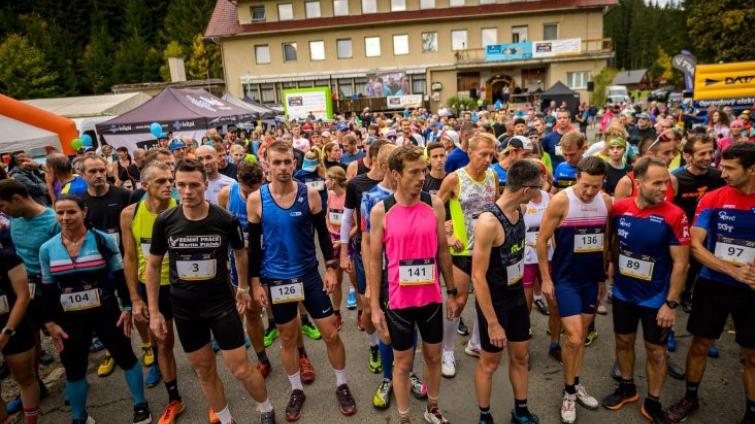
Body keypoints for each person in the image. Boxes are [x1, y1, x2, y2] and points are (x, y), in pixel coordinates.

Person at [146, 159, 275, 424]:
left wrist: (242, 287)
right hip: (184, 308)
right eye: (181, 185)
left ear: (206, 185)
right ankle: (226, 420)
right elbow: (153, 265)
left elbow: (241, 252)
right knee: (204, 371)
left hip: (220, 304)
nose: (187, 191)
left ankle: (266, 410)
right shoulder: (165, 221)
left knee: (240, 368)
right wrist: (154, 311)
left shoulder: (224, 219)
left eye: (194, 185)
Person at [247, 142, 356, 422]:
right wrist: (256, 284)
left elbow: (323, 237)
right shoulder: (256, 200)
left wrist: (331, 270)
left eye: (287, 162)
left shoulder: (310, 194)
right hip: (277, 279)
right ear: (267, 165)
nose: (283, 167)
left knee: (331, 332)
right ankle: (296, 390)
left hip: (308, 276)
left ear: (294, 164)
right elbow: (255, 248)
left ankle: (342, 385)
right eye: (277, 162)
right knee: (286, 337)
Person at [39, 195, 152, 424]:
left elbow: (120, 277)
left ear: (84, 212)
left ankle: (140, 404)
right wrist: (50, 322)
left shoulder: (102, 240)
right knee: (74, 366)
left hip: (106, 311)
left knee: (125, 357)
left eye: (71, 212)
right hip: (69, 317)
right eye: (60, 213)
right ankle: (79, 416)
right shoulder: (47, 249)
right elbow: (47, 290)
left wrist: (128, 307)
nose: (65, 217)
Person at [368, 145, 458, 424]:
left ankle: (432, 408)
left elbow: (443, 251)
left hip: (431, 299)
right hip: (398, 303)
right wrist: (373, 306)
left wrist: (452, 292)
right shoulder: (381, 211)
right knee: (403, 364)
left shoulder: (435, 204)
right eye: (414, 171)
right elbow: (373, 261)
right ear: (396, 174)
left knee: (433, 359)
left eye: (423, 170)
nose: (422, 176)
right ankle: (404, 418)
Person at [666, 142, 754, 424]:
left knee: (751, 354)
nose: (723, 173)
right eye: (723, 166)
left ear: (751, 170)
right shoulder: (714, 198)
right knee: (700, 344)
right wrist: (731, 271)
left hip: (751, 289)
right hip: (714, 283)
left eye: (730, 168)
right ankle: (690, 397)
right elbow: (695, 244)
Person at [601, 157, 690, 424]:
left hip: (656, 299)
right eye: (658, 182)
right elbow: (612, 241)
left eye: (666, 181)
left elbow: (681, 264)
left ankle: (653, 402)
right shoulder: (619, 208)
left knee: (656, 351)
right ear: (638, 184)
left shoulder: (675, 215)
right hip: (624, 293)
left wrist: (671, 303)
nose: (665, 187)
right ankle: (627, 387)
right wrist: (609, 269)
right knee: (624, 342)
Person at [538, 156, 611, 423]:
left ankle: (575, 382)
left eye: (596, 186)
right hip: (565, 279)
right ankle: (569, 394)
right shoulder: (562, 200)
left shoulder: (606, 202)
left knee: (579, 341)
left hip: (590, 280)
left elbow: (604, 241)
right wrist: (546, 279)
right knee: (576, 338)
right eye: (585, 185)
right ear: (577, 177)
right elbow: (542, 240)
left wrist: (603, 278)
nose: (590, 192)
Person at [472, 159, 543, 424]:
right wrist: (492, 323)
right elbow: (477, 277)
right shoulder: (489, 222)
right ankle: (484, 416)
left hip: (515, 297)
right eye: (537, 187)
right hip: (494, 302)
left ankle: (521, 411)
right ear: (525, 189)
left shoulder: (522, 210)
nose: (541, 192)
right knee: (489, 363)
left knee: (521, 356)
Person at [120, 160, 186, 423]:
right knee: (164, 343)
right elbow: (129, 257)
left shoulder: (181, 208)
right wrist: (134, 299)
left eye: (170, 180)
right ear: (144, 185)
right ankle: (174, 399)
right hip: (152, 286)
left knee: (198, 344)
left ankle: (213, 398)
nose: (168, 185)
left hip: (183, 283)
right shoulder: (130, 213)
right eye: (161, 181)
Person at [437, 132, 498, 377]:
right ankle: (447, 351)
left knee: (485, 299)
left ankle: (474, 343)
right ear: (469, 152)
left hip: (488, 248)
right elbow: (435, 210)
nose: (487, 159)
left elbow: (495, 207)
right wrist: (447, 234)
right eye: (483, 154)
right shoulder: (454, 179)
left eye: (491, 154)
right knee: (458, 301)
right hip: (462, 250)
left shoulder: (493, 175)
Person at [79, 156, 135, 379]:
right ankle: (112, 350)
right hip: (97, 268)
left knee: (133, 306)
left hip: (124, 262)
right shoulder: (80, 201)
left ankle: (147, 346)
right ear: (83, 175)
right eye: (92, 171)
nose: (98, 174)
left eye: (101, 169)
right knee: (103, 313)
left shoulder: (122, 195)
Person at [216, 160, 272, 377]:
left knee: (280, 307)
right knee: (251, 312)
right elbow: (222, 229)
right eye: (246, 192)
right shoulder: (226, 195)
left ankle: (300, 353)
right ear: (238, 182)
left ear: (262, 182)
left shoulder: (268, 194)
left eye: (254, 192)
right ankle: (262, 358)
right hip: (240, 261)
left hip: (267, 258)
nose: (250, 198)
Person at [339, 140, 389, 377]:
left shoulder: (397, 182)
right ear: (377, 158)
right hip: (364, 252)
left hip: (393, 252)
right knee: (368, 306)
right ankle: (373, 347)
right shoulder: (357, 184)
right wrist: (343, 252)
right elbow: (347, 219)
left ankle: (392, 348)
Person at [671, 134, 725, 312]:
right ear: (687, 156)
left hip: (710, 232)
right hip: (682, 235)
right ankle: (675, 298)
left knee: (699, 268)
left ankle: (688, 296)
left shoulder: (719, 176)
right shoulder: (676, 178)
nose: (708, 157)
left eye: (711, 152)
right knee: (682, 267)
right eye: (702, 154)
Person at [0, 248, 40, 424]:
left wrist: (7, 332)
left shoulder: (6, 257)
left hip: (14, 327)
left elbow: (23, 297)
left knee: (25, 377)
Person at [324, 166, 355, 331]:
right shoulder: (329, 195)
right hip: (333, 241)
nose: (324, 182)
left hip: (348, 242)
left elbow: (357, 225)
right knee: (336, 281)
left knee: (355, 281)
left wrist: (343, 239)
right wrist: (329, 235)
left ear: (334, 180)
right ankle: (337, 314)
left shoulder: (349, 197)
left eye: (326, 178)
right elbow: (328, 217)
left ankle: (361, 313)